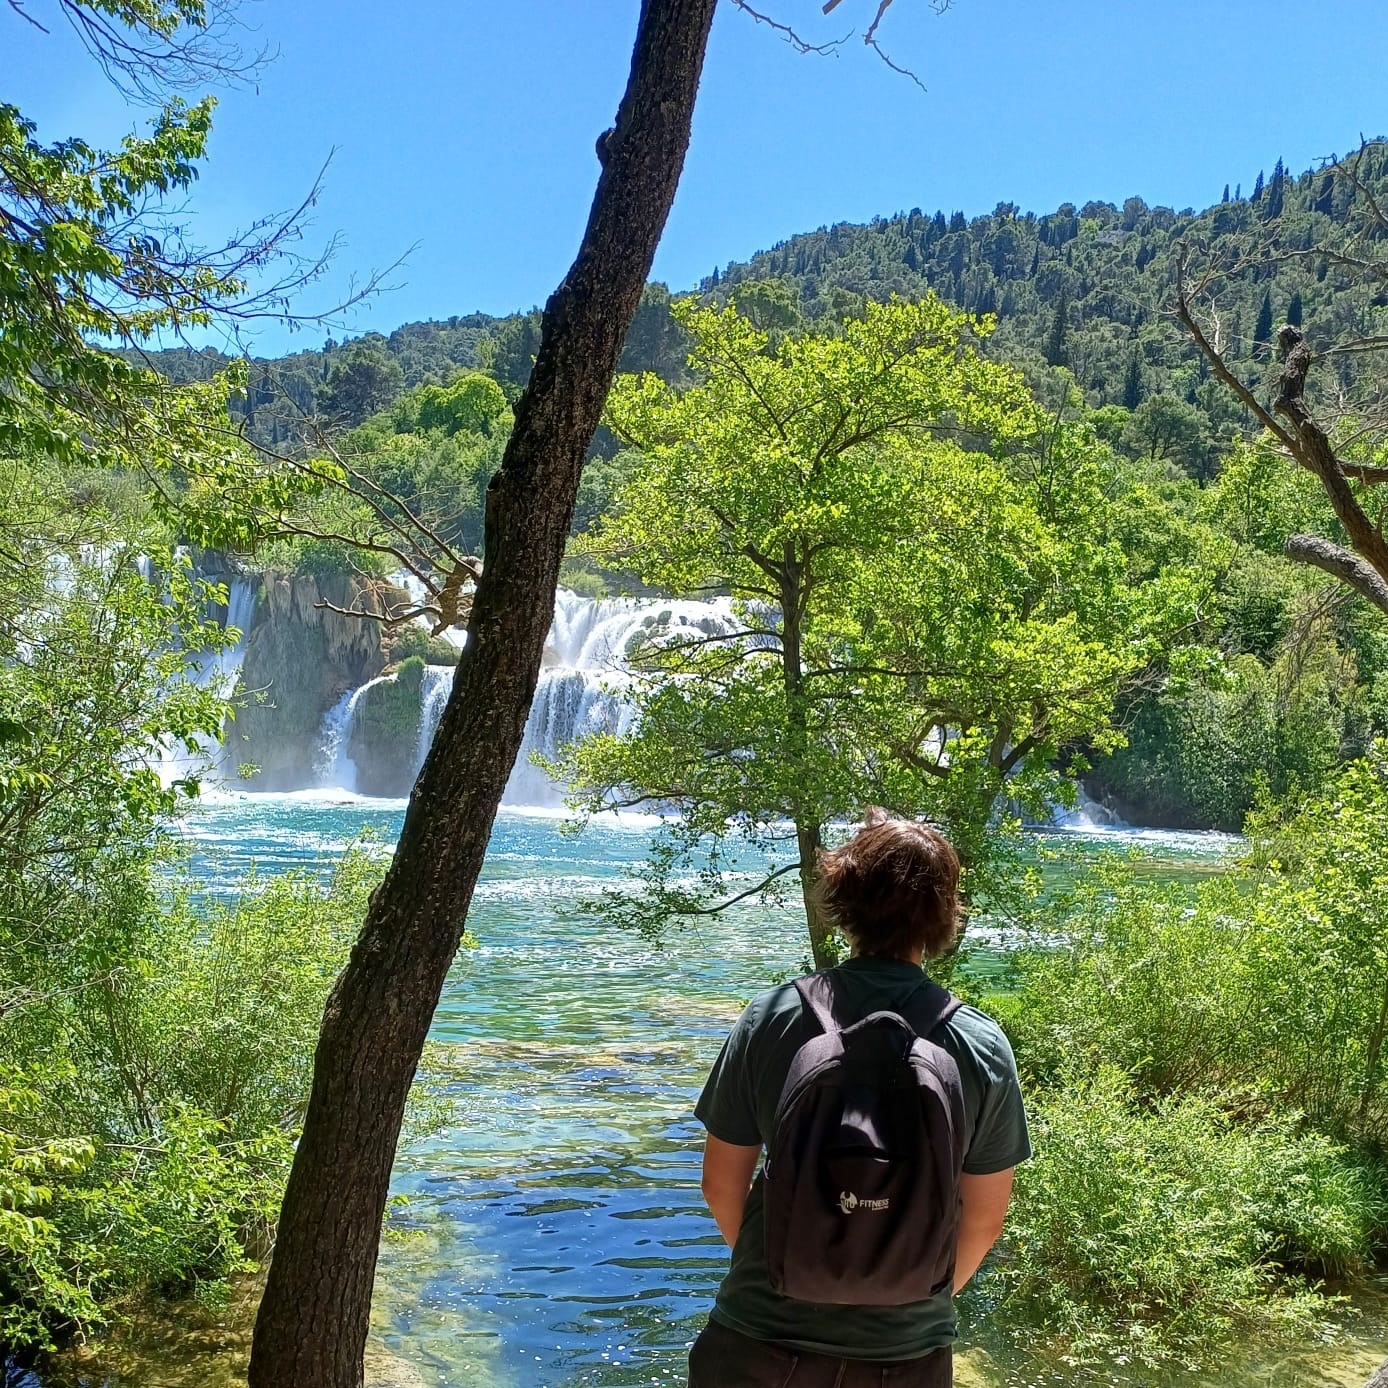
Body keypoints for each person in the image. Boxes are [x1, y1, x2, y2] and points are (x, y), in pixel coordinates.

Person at [688, 810, 1031, 1387]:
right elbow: (985, 1219)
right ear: (942, 917)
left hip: (757, 1343)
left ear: (844, 903)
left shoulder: (771, 1017)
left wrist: (797, 1264)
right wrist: (907, 1290)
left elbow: (721, 1185)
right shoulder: (979, 1043)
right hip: (906, 1357)